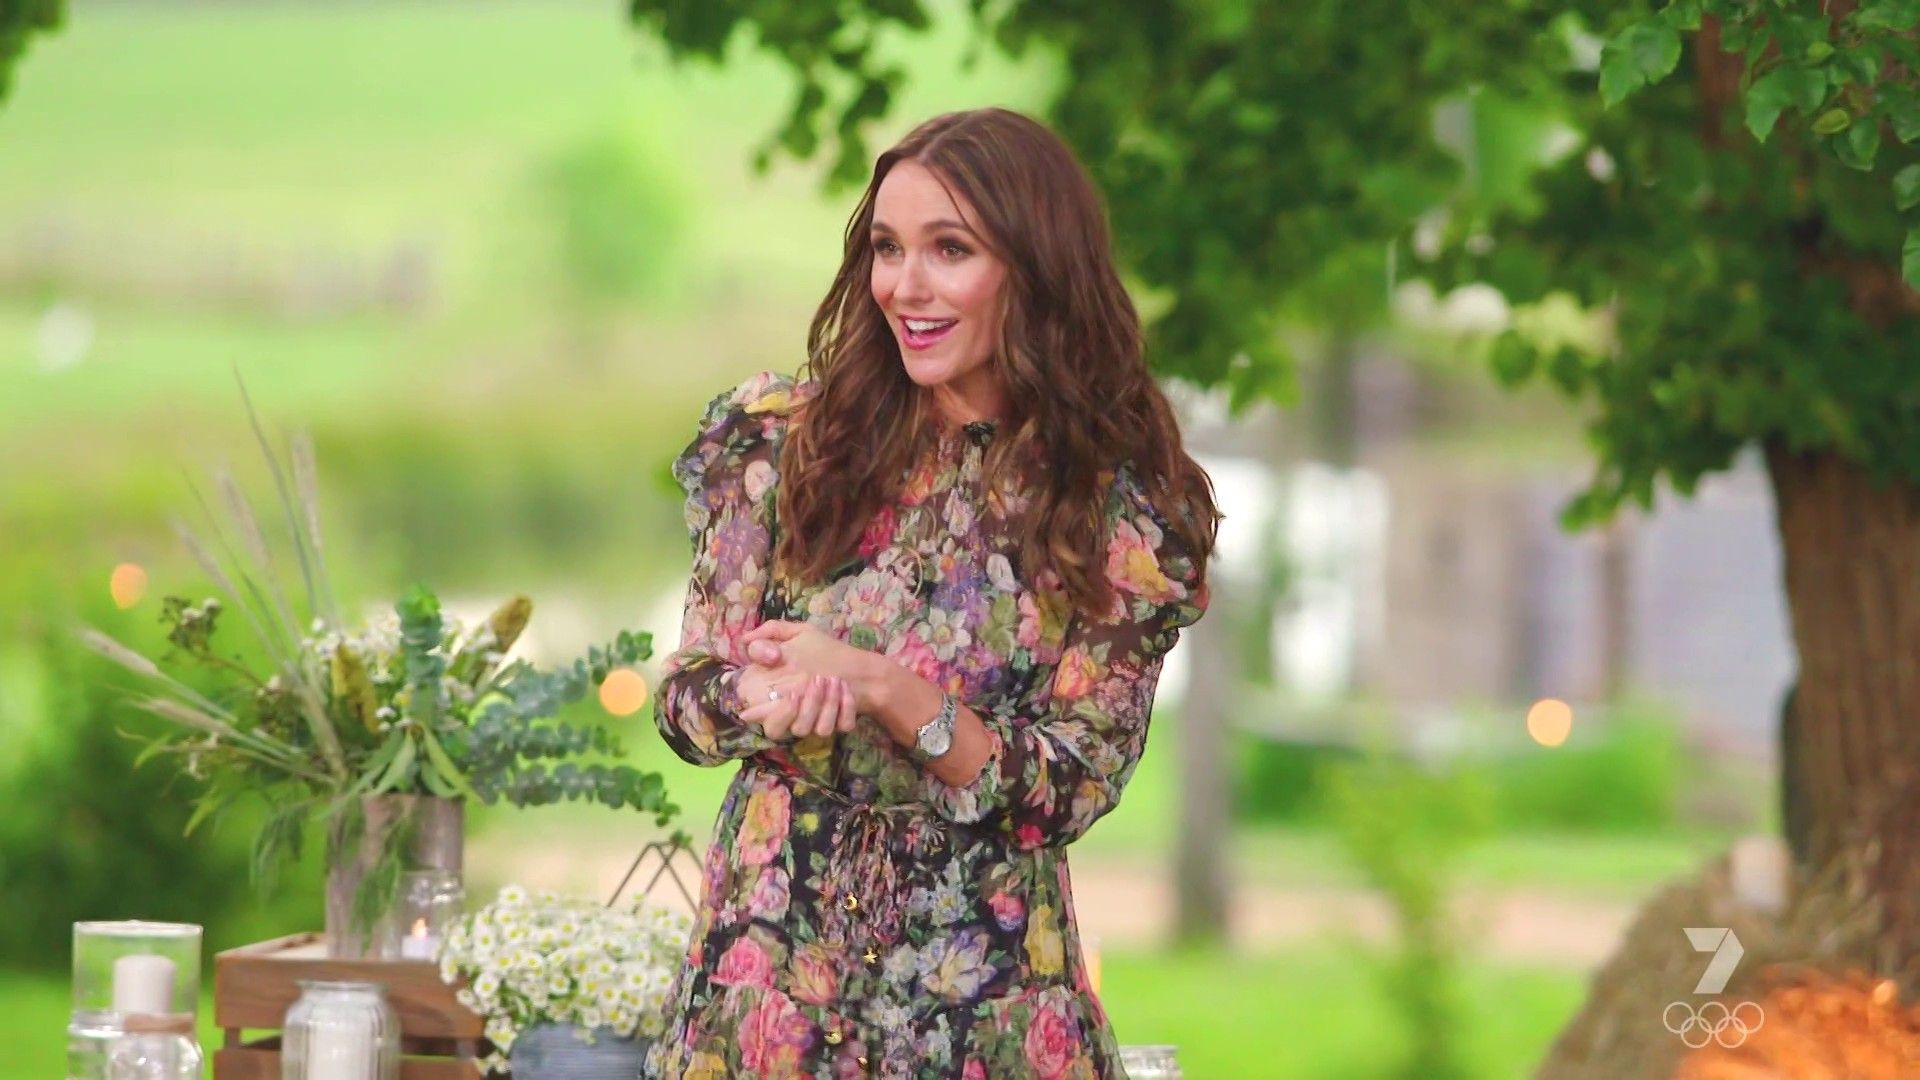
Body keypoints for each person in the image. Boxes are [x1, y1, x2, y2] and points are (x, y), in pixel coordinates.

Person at [645, 107, 1220, 1080]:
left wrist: (887, 691)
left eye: (949, 249)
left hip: (982, 1017)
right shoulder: (779, 443)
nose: (904, 287)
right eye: (886, 248)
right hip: (767, 1001)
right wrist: (757, 696)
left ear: (1035, 268)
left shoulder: (1119, 509)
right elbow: (686, 701)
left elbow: (1068, 789)